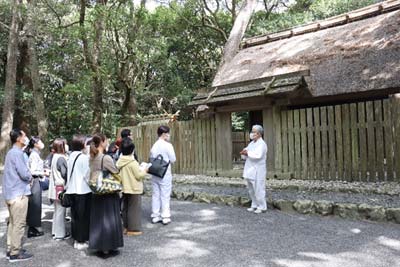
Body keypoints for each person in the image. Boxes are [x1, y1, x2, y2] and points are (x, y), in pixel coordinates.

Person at [89, 134, 123, 257]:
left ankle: (99, 246)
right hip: (107, 191)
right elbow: (115, 171)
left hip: (96, 191)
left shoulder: (92, 157)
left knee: (98, 220)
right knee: (108, 220)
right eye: (107, 140)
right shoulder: (105, 158)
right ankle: (108, 246)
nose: (108, 142)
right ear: (102, 142)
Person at [3, 129, 33, 262]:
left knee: (13, 223)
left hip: (10, 193)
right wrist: (30, 176)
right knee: (19, 224)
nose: (26, 138)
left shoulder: (11, 153)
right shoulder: (18, 153)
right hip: (18, 194)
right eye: (24, 136)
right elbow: (24, 173)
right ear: (19, 139)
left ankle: (11, 248)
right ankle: (15, 253)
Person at [116, 138, 148, 236]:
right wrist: (145, 170)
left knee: (125, 208)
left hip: (125, 187)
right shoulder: (132, 162)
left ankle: (125, 227)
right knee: (134, 209)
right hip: (134, 188)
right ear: (132, 150)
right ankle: (133, 229)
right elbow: (138, 175)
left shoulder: (120, 161)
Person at [65, 135, 92, 250]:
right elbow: (87, 175)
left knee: (75, 215)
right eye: (87, 143)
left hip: (72, 190)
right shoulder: (83, 158)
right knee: (83, 217)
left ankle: (76, 237)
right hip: (83, 190)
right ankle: (81, 241)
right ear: (83, 145)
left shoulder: (71, 156)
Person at [150, 125, 176, 225]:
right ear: (164, 134)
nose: (169, 135)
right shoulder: (168, 145)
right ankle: (165, 216)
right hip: (165, 173)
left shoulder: (154, 145)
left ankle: (155, 215)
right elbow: (173, 159)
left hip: (155, 172)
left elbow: (151, 157)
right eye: (168, 133)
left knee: (156, 194)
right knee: (165, 194)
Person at [240, 125, 268, 214]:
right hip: (250, 169)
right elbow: (246, 153)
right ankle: (254, 204)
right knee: (251, 189)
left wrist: (248, 152)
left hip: (258, 169)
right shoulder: (251, 143)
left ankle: (262, 206)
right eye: (251, 131)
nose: (251, 133)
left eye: (253, 132)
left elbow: (258, 155)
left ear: (259, 134)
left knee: (258, 188)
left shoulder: (262, 144)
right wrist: (244, 153)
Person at [26, 136, 47, 238]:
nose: (42, 143)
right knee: (35, 204)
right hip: (34, 181)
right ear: (35, 144)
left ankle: (33, 227)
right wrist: (43, 173)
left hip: (35, 181)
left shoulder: (35, 154)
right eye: (40, 141)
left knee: (35, 204)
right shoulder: (34, 155)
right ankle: (33, 229)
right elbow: (33, 170)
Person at [48, 138, 69, 240]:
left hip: (55, 187)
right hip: (60, 187)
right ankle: (60, 234)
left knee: (56, 211)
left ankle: (55, 232)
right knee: (61, 211)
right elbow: (65, 173)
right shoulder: (61, 158)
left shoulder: (54, 156)